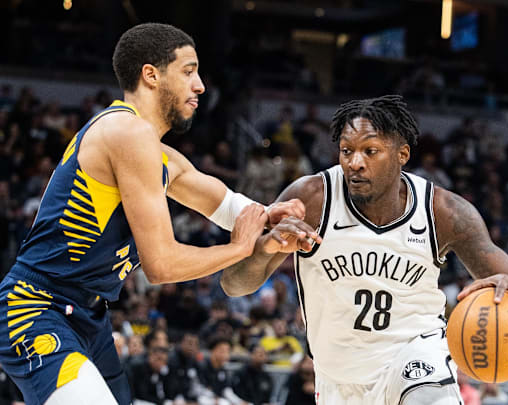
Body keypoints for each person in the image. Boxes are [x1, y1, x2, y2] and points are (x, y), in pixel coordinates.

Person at [0, 23, 311, 405]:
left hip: (88, 315)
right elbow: (160, 264)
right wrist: (240, 248)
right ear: (151, 75)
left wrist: (275, 216)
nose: (200, 86)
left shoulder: (160, 155)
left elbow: (230, 206)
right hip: (35, 306)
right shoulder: (126, 133)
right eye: (188, 71)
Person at [221, 95, 508, 404]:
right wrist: (267, 247)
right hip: (338, 378)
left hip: (416, 354)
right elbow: (234, 285)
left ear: (402, 154)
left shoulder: (444, 211)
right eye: (347, 151)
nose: (355, 163)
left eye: (370, 151)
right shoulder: (311, 199)